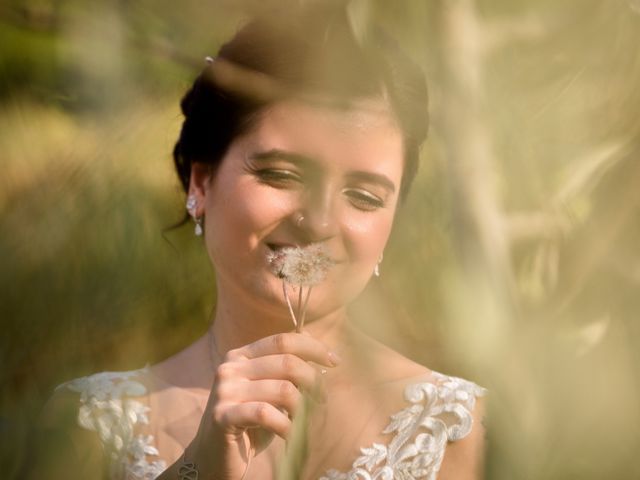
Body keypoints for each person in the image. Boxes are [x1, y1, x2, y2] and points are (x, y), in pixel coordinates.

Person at [30, 3, 485, 479]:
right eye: (280, 174)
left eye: (365, 196)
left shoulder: (456, 428)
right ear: (201, 183)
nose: (319, 220)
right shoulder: (89, 426)